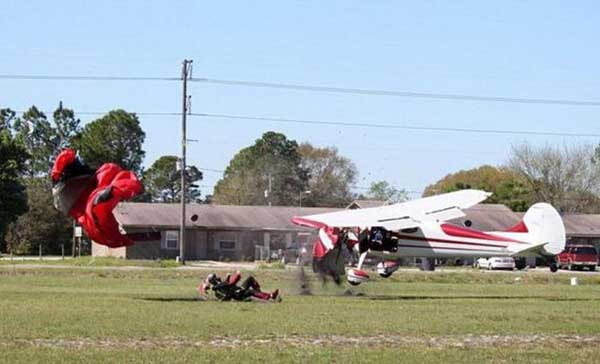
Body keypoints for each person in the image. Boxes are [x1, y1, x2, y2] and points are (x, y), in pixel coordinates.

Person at [199, 271, 280, 302]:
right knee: (251, 292)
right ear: (213, 280)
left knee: (250, 279)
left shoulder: (218, 286)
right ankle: (270, 296)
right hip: (238, 294)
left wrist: (228, 277)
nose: (217, 277)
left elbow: (227, 284)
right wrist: (237, 276)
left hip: (238, 291)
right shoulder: (217, 286)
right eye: (215, 277)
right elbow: (230, 284)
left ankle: (261, 293)